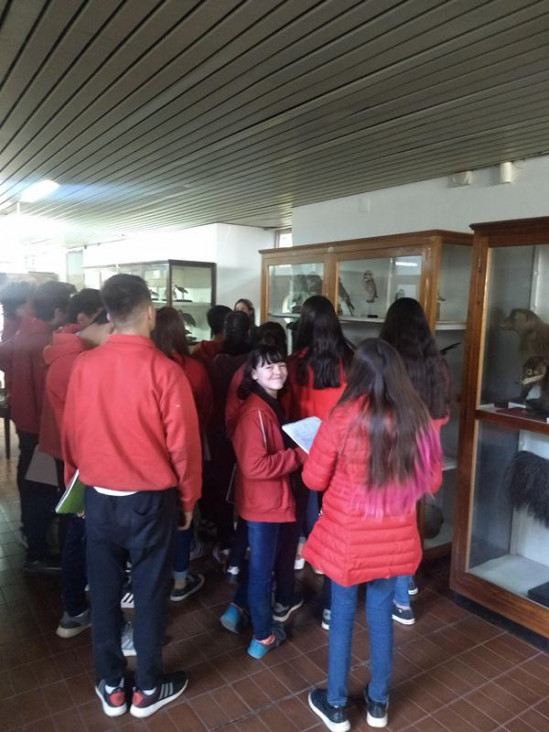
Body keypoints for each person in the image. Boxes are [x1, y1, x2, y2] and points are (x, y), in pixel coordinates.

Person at [62, 274, 202, 719]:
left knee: (102, 592)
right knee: (149, 592)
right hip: (150, 501)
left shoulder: (85, 367)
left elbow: (72, 437)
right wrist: (188, 502)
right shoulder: (165, 371)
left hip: (99, 498)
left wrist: (76, 490)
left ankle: (110, 685)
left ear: (108, 314)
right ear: (149, 312)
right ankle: (146, 688)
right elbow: (183, 447)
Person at [303, 339, 443, 730]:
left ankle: (334, 705)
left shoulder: (343, 416)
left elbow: (313, 477)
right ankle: (378, 703)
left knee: (344, 615)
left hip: (348, 538)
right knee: (382, 616)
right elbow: (431, 479)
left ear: (356, 372)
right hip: (394, 538)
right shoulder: (417, 417)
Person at [219, 344, 306, 658]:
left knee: (259, 566)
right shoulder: (255, 412)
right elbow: (255, 466)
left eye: (280, 364)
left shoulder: (268, 403)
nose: (277, 371)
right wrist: (299, 455)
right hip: (265, 504)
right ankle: (263, 637)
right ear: (253, 373)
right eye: (267, 367)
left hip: (264, 501)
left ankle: (235, 612)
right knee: (261, 571)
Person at [40, 306, 113, 638]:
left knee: (80, 532)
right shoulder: (75, 364)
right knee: (81, 534)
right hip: (83, 463)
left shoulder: (74, 354)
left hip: (75, 456)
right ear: (106, 321)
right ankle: (76, 609)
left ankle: (77, 605)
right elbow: (86, 425)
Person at [379, 297, 452, 625]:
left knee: (391, 526)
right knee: (407, 521)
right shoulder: (437, 364)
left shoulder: (388, 362)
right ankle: (405, 584)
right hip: (425, 455)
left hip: (393, 453)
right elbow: (442, 412)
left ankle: (398, 595)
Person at [285, 295, 354, 628]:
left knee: (307, 512)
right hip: (344, 454)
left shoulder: (295, 361)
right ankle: (331, 605)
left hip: (305, 451)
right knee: (334, 526)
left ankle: (303, 559)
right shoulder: (351, 360)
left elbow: (287, 407)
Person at [0, 280, 73, 571]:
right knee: (42, 490)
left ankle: (35, 540)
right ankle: (38, 553)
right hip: (43, 428)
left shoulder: (21, 333)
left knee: (32, 485)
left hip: (28, 424)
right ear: (58, 310)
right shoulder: (45, 341)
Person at [151, 306, 213, 602]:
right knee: (184, 512)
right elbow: (206, 409)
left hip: (149, 455)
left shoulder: (146, 367)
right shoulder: (193, 367)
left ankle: (153, 578)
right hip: (187, 448)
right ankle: (179, 578)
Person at [203, 310, 251, 554]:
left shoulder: (215, 361)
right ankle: (243, 536)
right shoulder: (252, 360)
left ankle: (225, 537)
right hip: (246, 427)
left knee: (222, 483)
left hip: (219, 427)